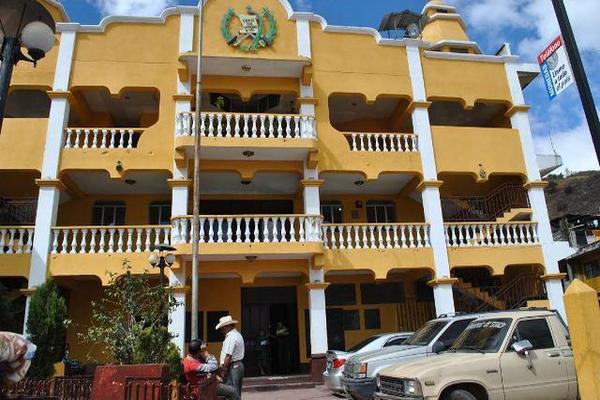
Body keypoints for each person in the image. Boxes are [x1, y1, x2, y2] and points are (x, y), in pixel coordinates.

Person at [215, 315, 245, 396]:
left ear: (228, 326)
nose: (222, 330)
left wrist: (223, 370)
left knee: (232, 392)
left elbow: (228, 356)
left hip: (233, 366)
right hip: (237, 366)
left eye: (223, 328)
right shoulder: (237, 334)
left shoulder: (231, 337)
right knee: (236, 392)